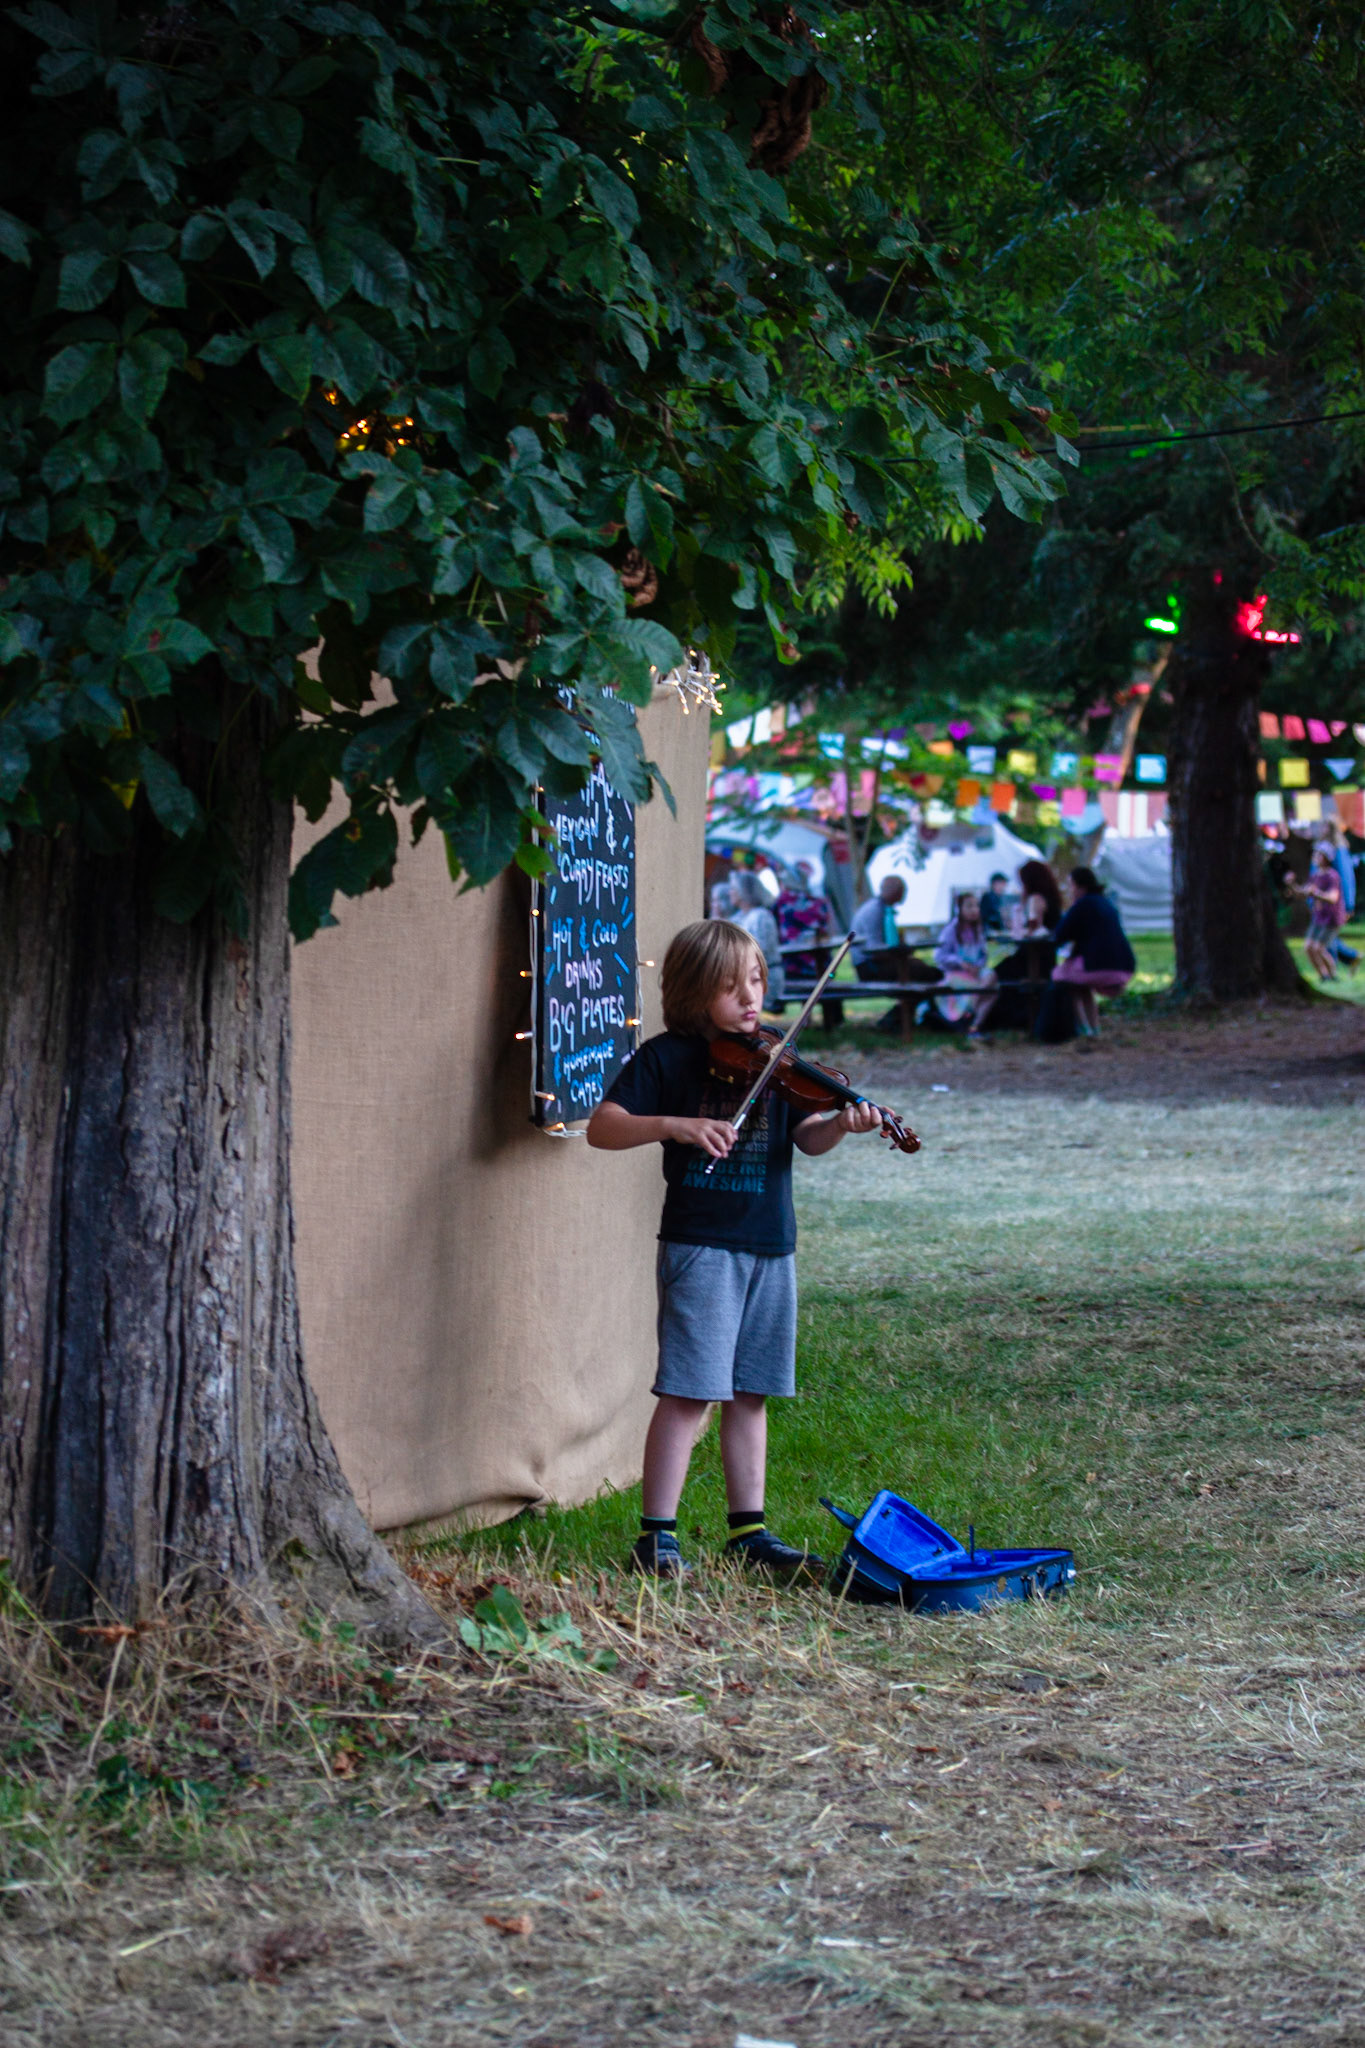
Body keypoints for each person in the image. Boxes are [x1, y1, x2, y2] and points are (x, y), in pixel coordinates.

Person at [586, 920, 882, 1580]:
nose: (749, 998)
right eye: (729, 986)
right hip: (702, 1246)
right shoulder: (665, 1058)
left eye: (755, 980)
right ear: (693, 994)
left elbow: (807, 1138)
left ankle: (748, 1533)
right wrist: (675, 1124)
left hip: (770, 1244)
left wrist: (840, 1120)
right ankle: (656, 1537)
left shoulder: (774, 1059)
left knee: (751, 1391)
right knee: (690, 1392)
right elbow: (603, 1128)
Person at [976, 858, 1063, 1033]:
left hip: (1031, 958)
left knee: (992, 977)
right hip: (1046, 957)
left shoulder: (1036, 899)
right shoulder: (1052, 899)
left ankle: (974, 1018)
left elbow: (1033, 926)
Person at [1050, 866, 1136, 1038]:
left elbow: (1059, 935)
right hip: (1125, 965)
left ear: (1080, 887)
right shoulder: (1106, 903)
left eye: (1071, 886)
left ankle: (1083, 1027)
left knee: (1060, 975)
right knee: (1081, 983)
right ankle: (1094, 1028)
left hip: (1099, 967)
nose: (1069, 891)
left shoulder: (1083, 905)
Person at [774, 858, 844, 1028]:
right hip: (820, 967)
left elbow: (776, 932)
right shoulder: (818, 903)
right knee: (828, 979)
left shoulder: (781, 902)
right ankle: (834, 1021)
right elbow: (828, 931)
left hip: (792, 967)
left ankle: (808, 1020)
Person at [933, 891, 997, 1037]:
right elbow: (940, 956)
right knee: (987, 989)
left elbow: (983, 954)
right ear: (959, 909)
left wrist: (977, 965)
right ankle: (972, 1020)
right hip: (956, 973)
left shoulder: (978, 930)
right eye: (969, 906)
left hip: (974, 972)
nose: (974, 910)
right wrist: (960, 963)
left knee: (991, 980)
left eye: (976, 906)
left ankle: (974, 1022)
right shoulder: (951, 931)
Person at [729, 870, 784, 1005]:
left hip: (764, 978)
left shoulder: (761, 916)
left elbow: (759, 951)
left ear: (743, 891)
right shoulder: (738, 917)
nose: (730, 892)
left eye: (733, 888)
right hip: (744, 977)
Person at [1293, 844, 1346, 980]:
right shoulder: (1315, 875)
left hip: (1331, 918)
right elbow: (1302, 893)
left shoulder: (1332, 876)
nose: (1315, 857)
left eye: (1319, 854)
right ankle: (1323, 975)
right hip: (1318, 917)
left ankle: (1333, 975)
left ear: (1326, 858)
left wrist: (1316, 893)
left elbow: (1333, 897)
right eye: (1315, 854)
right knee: (1308, 947)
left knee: (1318, 948)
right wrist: (1291, 884)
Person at [1324, 820, 1359, 972]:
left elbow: (1346, 878)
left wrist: (1349, 904)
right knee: (1327, 935)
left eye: (1323, 826)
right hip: (1325, 901)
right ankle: (1351, 958)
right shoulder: (1328, 849)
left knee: (1327, 935)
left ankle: (1334, 968)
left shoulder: (1339, 850)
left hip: (1336, 901)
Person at [979, 871, 1010, 936]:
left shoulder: (999, 898)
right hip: (990, 933)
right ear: (994, 884)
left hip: (997, 932)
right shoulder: (988, 897)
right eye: (1002, 883)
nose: (1004, 886)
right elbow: (986, 917)